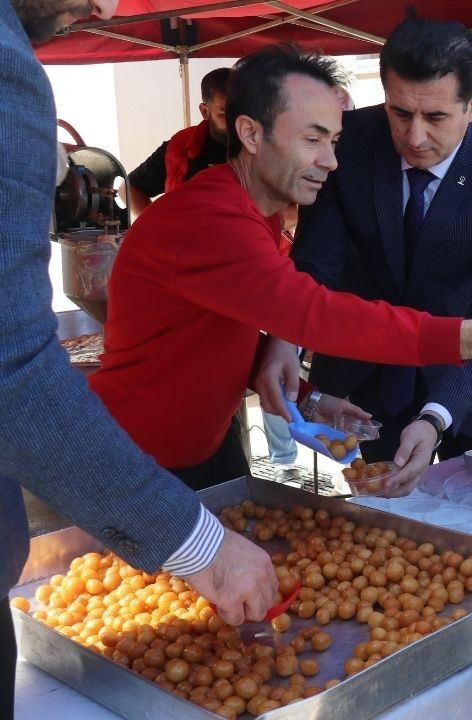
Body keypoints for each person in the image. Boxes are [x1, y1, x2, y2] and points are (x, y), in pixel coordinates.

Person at [89, 44, 472, 496]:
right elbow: (316, 312)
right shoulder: (209, 220)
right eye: (312, 140)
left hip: (204, 446)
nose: (331, 161)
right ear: (251, 133)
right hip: (137, 456)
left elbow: (208, 332)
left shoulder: (259, 212)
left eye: (336, 140)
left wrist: (307, 397)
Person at [1, 0, 277, 708]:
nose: (105, 9)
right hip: (149, 442)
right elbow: (11, 366)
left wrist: (274, 355)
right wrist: (197, 546)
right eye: (317, 137)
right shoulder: (10, 70)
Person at [288, 19, 472, 464]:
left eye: (436, 117)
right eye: (400, 113)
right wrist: (286, 352)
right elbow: (315, 266)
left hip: (471, 389)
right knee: (381, 524)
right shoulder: (348, 144)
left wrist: (435, 418)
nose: (415, 137)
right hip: (367, 379)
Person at [126, 67, 231, 218]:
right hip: (193, 240)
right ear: (205, 111)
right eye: (225, 112)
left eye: (242, 109)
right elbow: (129, 188)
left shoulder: (264, 145)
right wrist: (158, 227)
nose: (237, 120)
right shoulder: (181, 146)